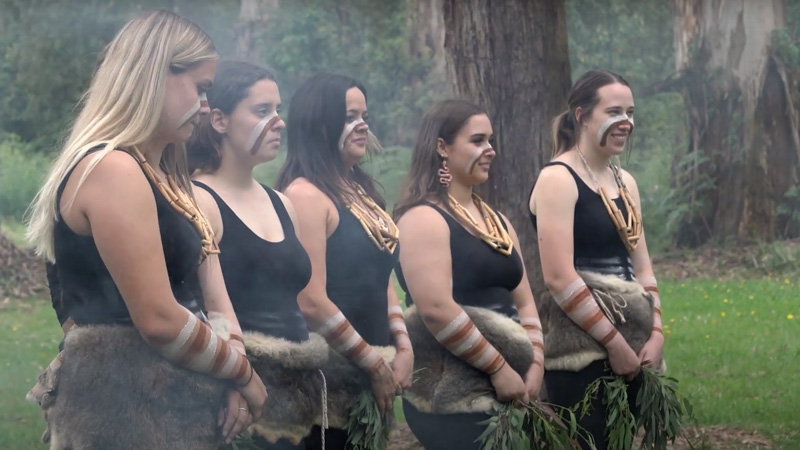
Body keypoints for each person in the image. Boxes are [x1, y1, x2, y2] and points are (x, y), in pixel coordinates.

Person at [25, 10, 266, 449]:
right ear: (155, 74)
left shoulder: (166, 178)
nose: (208, 105)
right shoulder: (112, 169)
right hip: (122, 417)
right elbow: (158, 319)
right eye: (201, 88)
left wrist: (231, 371)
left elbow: (213, 296)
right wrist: (243, 373)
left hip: (175, 409)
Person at [393, 99, 545, 450]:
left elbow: (524, 299)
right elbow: (435, 308)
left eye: (491, 140)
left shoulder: (497, 221)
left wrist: (534, 362)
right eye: (477, 141)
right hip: (451, 393)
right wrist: (498, 367)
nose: (490, 150)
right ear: (442, 148)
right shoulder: (422, 219)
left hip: (508, 388)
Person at [275, 73, 413, 450]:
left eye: (364, 115)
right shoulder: (305, 195)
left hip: (370, 376)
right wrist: (372, 362)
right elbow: (310, 301)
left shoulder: (362, 191)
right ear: (321, 125)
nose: (363, 125)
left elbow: (382, 276)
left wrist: (402, 345)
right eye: (350, 116)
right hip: (327, 387)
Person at [528, 69, 664, 450]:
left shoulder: (626, 182)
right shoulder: (558, 179)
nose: (626, 123)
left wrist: (656, 333)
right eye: (614, 111)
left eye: (631, 113)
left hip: (636, 342)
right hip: (582, 351)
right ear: (581, 115)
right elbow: (558, 276)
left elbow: (642, 265)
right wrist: (613, 343)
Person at [187, 60, 311, 450]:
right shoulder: (199, 201)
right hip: (238, 404)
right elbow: (203, 306)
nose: (279, 122)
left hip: (295, 400)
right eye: (262, 111)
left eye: (278, 110)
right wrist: (233, 377)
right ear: (219, 121)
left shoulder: (282, 203)